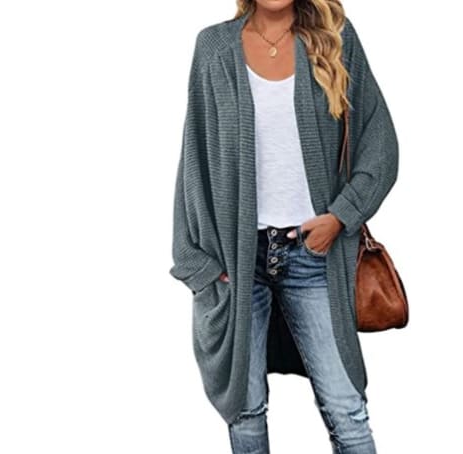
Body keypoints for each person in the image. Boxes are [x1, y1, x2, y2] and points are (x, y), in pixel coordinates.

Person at [169, 1, 399, 453]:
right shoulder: (213, 47)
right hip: (239, 260)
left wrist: (342, 215)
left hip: (314, 256)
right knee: (245, 411)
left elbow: (380, 143)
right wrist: (196, 261)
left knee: (346, 410)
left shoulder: (336, 39)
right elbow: (194, 159)